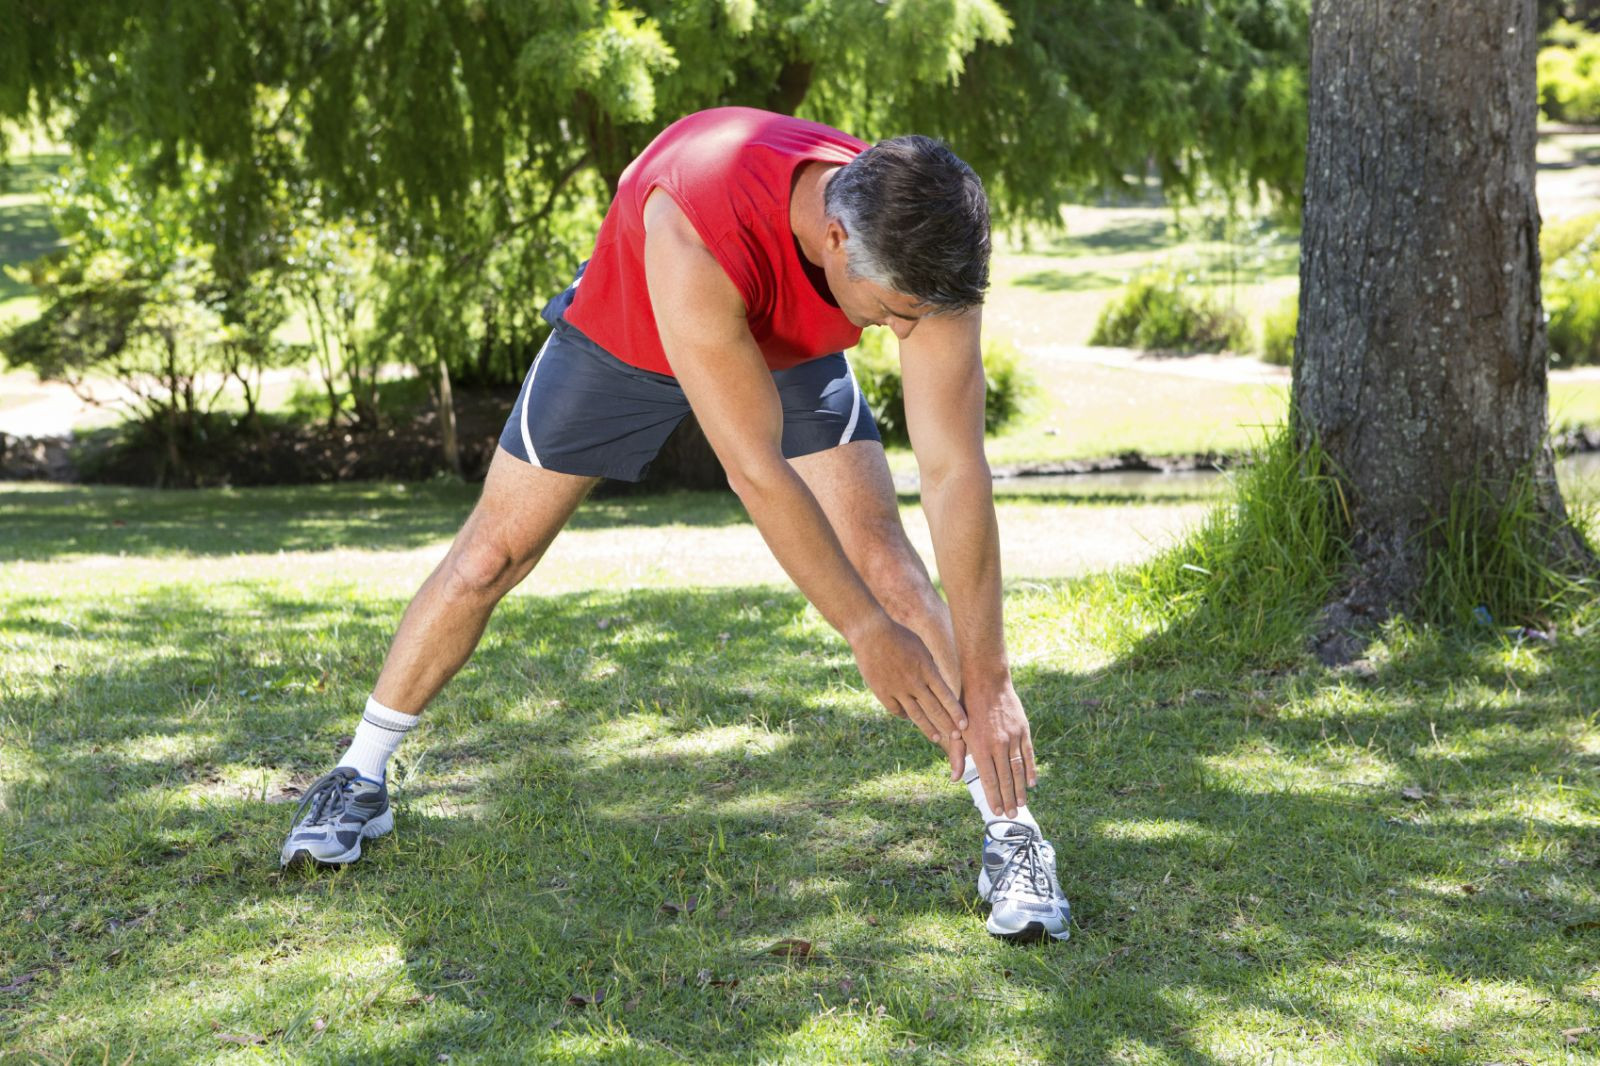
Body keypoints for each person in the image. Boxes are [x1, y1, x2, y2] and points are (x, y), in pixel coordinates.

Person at [279, 106, 1071, 942]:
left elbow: (954, 472)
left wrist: (990, 679)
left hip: (784, 349)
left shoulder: (924, 237)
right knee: (491, 556)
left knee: (890, 564)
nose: (907, 333)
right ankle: (358, 776)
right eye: (895, 312)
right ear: (835, 239)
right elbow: (755, 471)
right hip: (630, 337)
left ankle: (1012, 832)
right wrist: (863, 631)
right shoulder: (696, 217)